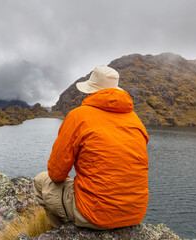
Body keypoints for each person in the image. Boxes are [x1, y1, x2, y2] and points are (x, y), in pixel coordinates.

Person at [34, 65, 149, 230]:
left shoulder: (78, 116)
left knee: (40, 180)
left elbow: (56, 173)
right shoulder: (135, 120)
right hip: (135, 214)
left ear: (91, 90)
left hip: (94, 214)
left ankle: (59, 232)